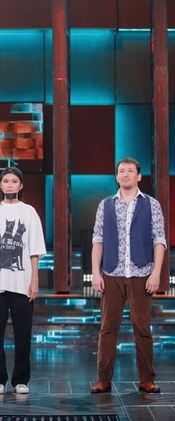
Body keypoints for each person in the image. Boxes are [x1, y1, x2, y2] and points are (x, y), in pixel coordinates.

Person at [90, 157, 166, 394]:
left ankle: (146, 379)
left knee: (142, 328)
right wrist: (95, 273)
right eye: (121, 171)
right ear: (116, 176)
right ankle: (103, 379)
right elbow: (98, 239)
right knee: (108, 328)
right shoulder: (106, 205)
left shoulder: (151, 204)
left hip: (141, 273)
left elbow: (159, 239)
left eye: (130, 171)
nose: (125, 174)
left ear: (138, 176)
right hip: (112, 273)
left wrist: (156, 273)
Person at [0, 166, 46, 395]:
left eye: (14, 181)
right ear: (0, 185)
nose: (9, 184)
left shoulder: (29, 212)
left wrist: (35, 281)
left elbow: (34, 251)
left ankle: (21, 380)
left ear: (21, 185)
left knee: (23, 333)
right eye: (6, 181)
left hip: (22, 283)